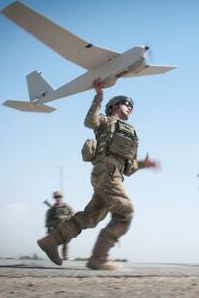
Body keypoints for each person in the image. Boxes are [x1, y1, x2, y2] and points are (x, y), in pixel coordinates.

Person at [37, 78, 159, 270]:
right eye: (126, 104)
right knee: (125, 212)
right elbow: (89, 121)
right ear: (114, 106)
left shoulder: (132, 133)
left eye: (131, 106)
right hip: (105, 172)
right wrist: (98, 97)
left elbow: (129, 168)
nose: (129, 107)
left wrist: (145, 164)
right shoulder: (106, 121)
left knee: (90, 217)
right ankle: (99, 257)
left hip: (114, 176)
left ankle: (52, 241)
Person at [45, 190, 74, 260]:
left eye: (59, 196)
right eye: (56, 197)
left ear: (62, 197)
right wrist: (51, 226)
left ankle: (65, 256)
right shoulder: (51, 210)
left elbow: (73, 215)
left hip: (65, 227)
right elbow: (47, 221)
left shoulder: (67, 207)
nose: (58, 198)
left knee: (65, 242)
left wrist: (64, 218)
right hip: (55, 228)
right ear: (54, 198)